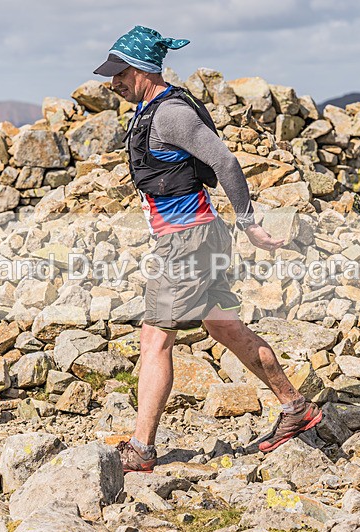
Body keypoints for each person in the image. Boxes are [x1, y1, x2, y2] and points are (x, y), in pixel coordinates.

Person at [93, 26, 323, 473]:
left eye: (119, 73)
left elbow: (225, 161)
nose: (112, 83)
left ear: (142, 70)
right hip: (195, 236)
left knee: (155, 338)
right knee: (223, 327)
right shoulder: (150, 110)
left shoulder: (171, 114)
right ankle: (294, 407)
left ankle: (141, 450)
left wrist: (250, 222)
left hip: (187, 241)